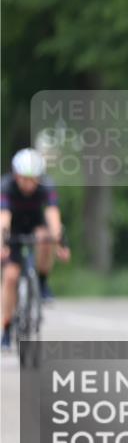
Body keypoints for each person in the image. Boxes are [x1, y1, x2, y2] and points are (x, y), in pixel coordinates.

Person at [1, 148, 70, 348]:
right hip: (11, 228)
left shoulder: (46, 187)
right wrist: (2, 243)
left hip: (36, 225)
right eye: (24, 179)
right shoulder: (6, 187)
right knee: (11, 276)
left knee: (45, 237)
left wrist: (60, 242)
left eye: (34, 179)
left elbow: (53, 216)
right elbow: (3, 218)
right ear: (16, 175)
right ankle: (5, 328)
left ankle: (42, 281)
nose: (29, 184)